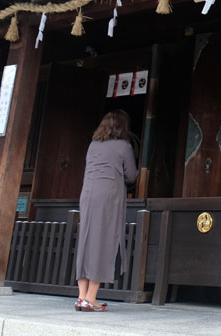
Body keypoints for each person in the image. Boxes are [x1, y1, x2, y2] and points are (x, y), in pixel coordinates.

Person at [74, 109, 137, 312]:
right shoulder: (123, 145)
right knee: (103, 242)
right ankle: (91, 298)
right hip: (108, 195)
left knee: (86, 241)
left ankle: (81, 297)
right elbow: (131, 176)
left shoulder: (93, 145)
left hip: (88, 194)